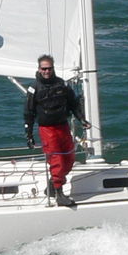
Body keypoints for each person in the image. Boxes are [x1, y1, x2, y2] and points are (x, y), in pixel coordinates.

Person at [24, 54, 85, 208]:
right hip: (47, 130)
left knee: (69, 160)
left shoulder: (62, 84)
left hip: (63, 127)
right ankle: (59, 194)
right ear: (39, 69)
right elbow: (28, 113)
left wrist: (82, 119)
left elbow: (73, 103)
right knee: (57, 160)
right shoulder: (34, 88)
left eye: (49, 68)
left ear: (53, 68)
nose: (47, 71)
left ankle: (52, 187)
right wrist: (29, 135)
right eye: (44, 69)